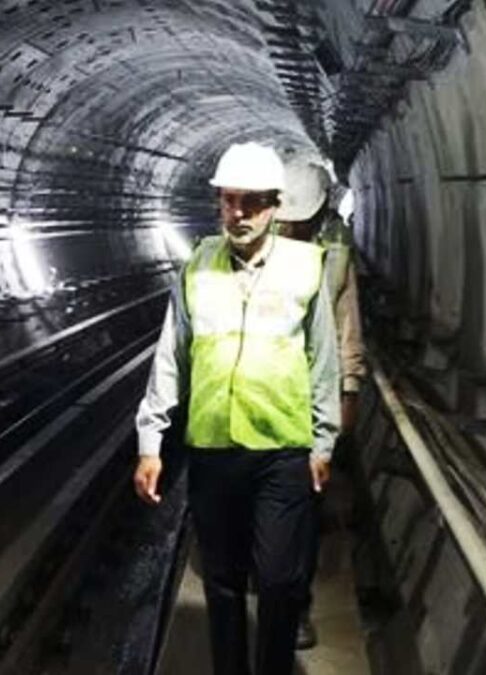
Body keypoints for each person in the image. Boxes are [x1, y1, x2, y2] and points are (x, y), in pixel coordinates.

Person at [133, 142, 340, 675]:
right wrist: (151, 442)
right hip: (213, 448)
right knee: (222, 581)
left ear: (274, 206)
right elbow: (170, 356)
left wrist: (323, 440)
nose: (239, 214)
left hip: (282, 450)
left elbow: (324, 360)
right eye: (229, 201)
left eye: (251, 202)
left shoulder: (306, 266)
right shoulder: (197, 267)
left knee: (277, 579)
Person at [275, 159, 368, 649]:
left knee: (303, 512)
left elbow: (348, 328)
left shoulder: (334, 255)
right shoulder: (250, 245)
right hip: (258, 399)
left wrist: (349, 391)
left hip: (310, 401)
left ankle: (295, 610)